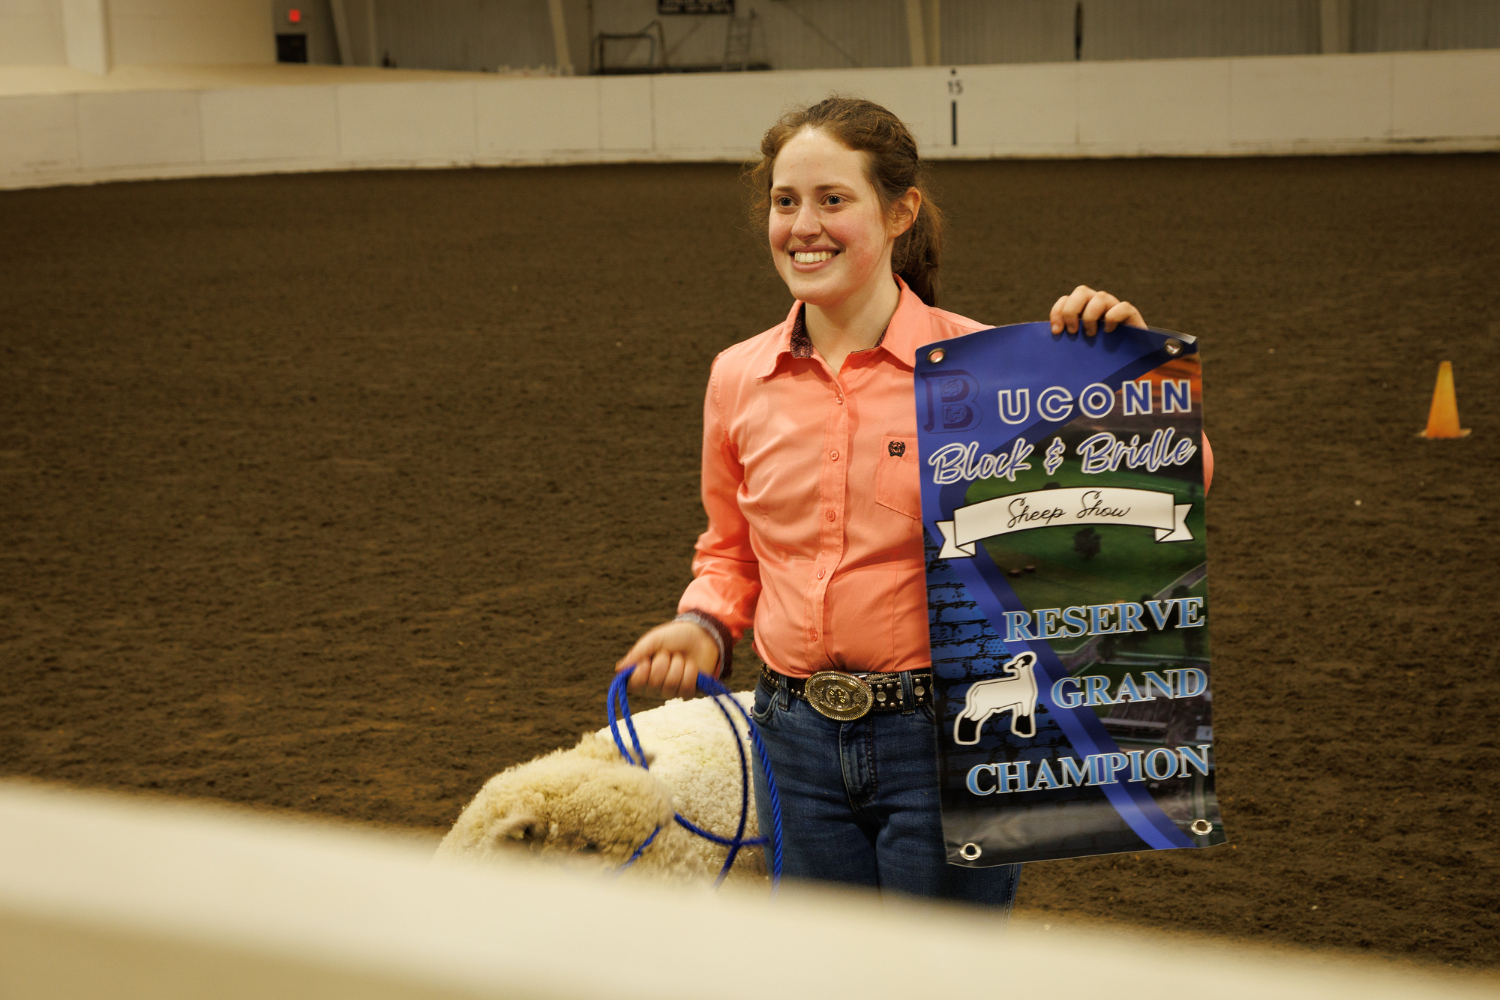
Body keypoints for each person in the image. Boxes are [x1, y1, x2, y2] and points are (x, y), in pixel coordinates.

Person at [614, 96, 1187, 907]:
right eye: (786, 202)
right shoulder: (737, 377)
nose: (803, 225)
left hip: (948, 738)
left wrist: (1133, 379)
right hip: (793, 742)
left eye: (832, 200)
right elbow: (731, 547)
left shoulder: (991, 373)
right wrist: (703, 622)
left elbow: (1154, 498)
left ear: (899, 212)